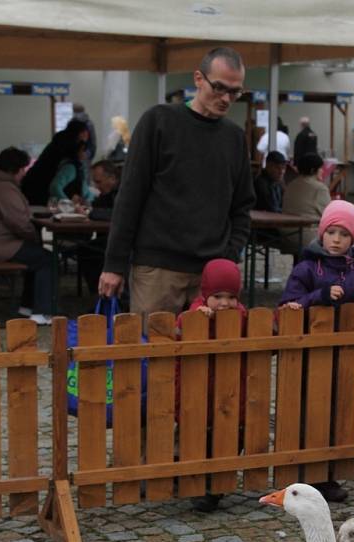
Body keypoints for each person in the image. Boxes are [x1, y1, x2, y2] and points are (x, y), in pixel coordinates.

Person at [99, 46, 254, 327]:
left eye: (235, 92)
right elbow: (130, 197)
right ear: (198, 78)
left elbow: (242, 206)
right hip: (157, 269)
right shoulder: (158, 121)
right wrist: (114, 264)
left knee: (204, 364)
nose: (226, 98)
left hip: (211, 272)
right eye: (219, 87)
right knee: (154, 358)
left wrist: (228, 258)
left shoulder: (233, 138)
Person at [279, 200, 354, 503]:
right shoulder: (306, 268)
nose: (336, 239)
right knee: (309, 412)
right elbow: (289, 303)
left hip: (345, 355)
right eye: (331, 232)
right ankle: (303, 473)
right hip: (310, 357)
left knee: (339, 413)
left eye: (344, 234)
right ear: (322, 234)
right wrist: (320, 296)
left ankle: (327, 476)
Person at [176, 259, 247, 513]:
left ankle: (215, 489)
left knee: (229, 440)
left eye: (231, 297)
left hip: (231, 394)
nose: (225, 303)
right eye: (217, 296)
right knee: (200, 440)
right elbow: (179, 331)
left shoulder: (242, 315)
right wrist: (197, 319)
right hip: (199, 395)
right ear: (206, 294)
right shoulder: (195, 313)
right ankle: (198, 486)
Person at [0, 147, 53, 324]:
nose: (24, 175)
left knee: (35, 256)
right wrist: (33, 235)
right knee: (46, 259)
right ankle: (42, 312)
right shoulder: (5, 188)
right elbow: (19, 223)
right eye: (23, 170)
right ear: (18, 169)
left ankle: (27, 306)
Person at [76, 160, 120, 298]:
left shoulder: (124, 191)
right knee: (85, 249)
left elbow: (117, 214)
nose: (96, 186)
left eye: (99, 182)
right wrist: (86, 205)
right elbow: (99, 207)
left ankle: (101, 294)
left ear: (112, 178)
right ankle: (100, 294)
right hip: (109, 238)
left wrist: (90, 211)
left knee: (86, 250)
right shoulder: (109, 192)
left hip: (120, 242)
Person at [21, 119, 90, 205]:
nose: (86, 137)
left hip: (33, 183)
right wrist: (69, 204)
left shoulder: (60, 141)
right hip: (40, 186)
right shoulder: (68, 153)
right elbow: (55, 186)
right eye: (85, 133)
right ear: (81, 133)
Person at [282, 153, 330, 250]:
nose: (323, 171)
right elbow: (329, 215)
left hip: (285, 234)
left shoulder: (291, 184)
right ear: (313, 170)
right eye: (321, 168)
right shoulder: (319, 188)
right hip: (306, 236)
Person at [49, 139, 93, 203]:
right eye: (84, 150)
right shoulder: (70, 168)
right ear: (76, 151)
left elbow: (85, 189)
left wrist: (88, 199)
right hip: (65, 209)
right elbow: (54, 187)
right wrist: (68, 202)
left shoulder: (81, 167)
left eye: (87, 150)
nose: (87, 152)